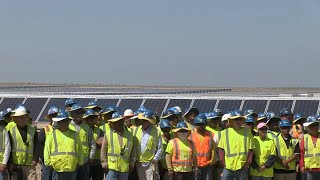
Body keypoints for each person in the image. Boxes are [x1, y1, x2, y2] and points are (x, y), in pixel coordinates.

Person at [44, 110, 84, 180]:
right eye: (63, 121)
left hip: (72, 169)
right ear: (58, 122)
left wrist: (80, 162)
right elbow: (47, 151)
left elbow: (80, 150)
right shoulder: (52, 135)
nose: (65, 123)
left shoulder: (75, 135)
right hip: (57, 170)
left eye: (66, 121)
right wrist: (49, 164)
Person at [218, 111, 254, 180]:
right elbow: (221, 148)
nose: (238, 121)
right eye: (236, 119)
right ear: (231, 121)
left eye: (240, 119)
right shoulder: (225, 133)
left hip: (242, 166)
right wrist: (222, 162)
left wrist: (247, 163)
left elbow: (251, 149)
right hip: (228, 167)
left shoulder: (247, 132)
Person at [100, 111, 135, 180]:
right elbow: (103, 149)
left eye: (121, 121)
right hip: (111, 166)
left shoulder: (130, 134)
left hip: (124, 167)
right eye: (117, 121)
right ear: (113, 123)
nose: (119, 123)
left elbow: (133, 152)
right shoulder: (108, 133)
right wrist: (104, 163)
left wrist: (132, 164)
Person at [8, 106, 39, 180]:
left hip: (30, 164)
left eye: (24, 117)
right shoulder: (11, 131)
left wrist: (35, 159)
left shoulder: (32, 130)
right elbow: (8, 147)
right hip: (16, 165)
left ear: (27, 118)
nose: (22, 119)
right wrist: (10, 162)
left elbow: (37, 146)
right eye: (19, 117)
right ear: (16, 119)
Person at [68, 103, 95, 180]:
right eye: (77, 112)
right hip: (72, 160)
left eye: (81, 113)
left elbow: (92, 144)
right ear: (72, 114)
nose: (79, 115)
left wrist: (91, 157)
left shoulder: (87, 127)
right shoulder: (68, 126)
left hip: (84, 161)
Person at [134, 110, 162, 180]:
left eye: (145, 120)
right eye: (142, 120)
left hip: (151, 163)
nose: (143, 122)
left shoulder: (156, 131)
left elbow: (160, 147)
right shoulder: (136, 130)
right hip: (139, 162)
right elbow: (133, 146)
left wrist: (155, 159)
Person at [189, 114, 216, 180]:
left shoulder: (210, 135)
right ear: (195, 125)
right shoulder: (191, 136)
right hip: (195, 166)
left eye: (202, 124)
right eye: (198, 124)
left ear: (205, 124)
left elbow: (213, 148)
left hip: (207, 165)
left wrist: (213, 158)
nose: (200, 126)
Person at [38, 106, 59, 180]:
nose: (54, 117)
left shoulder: (63, 129)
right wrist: (44, 159)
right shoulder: (45, 130)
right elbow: (39, 145)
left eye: (56, 115)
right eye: (52, 115)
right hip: (47, 162)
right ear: (49, 117)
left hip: (58, 161)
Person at [83, 109, 104, 180]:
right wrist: (95, 144)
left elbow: (102, 144)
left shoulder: (100, 131)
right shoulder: (82, 130)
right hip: (85, 161)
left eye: (93, 118)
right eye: (89, 118)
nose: (91, 120)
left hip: (97, 162)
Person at [0, 114, 11, 180]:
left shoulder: (4, 131)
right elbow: (8, 147)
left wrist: (4, 163)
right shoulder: (4, 131)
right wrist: (4, 163)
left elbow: (7, 147)